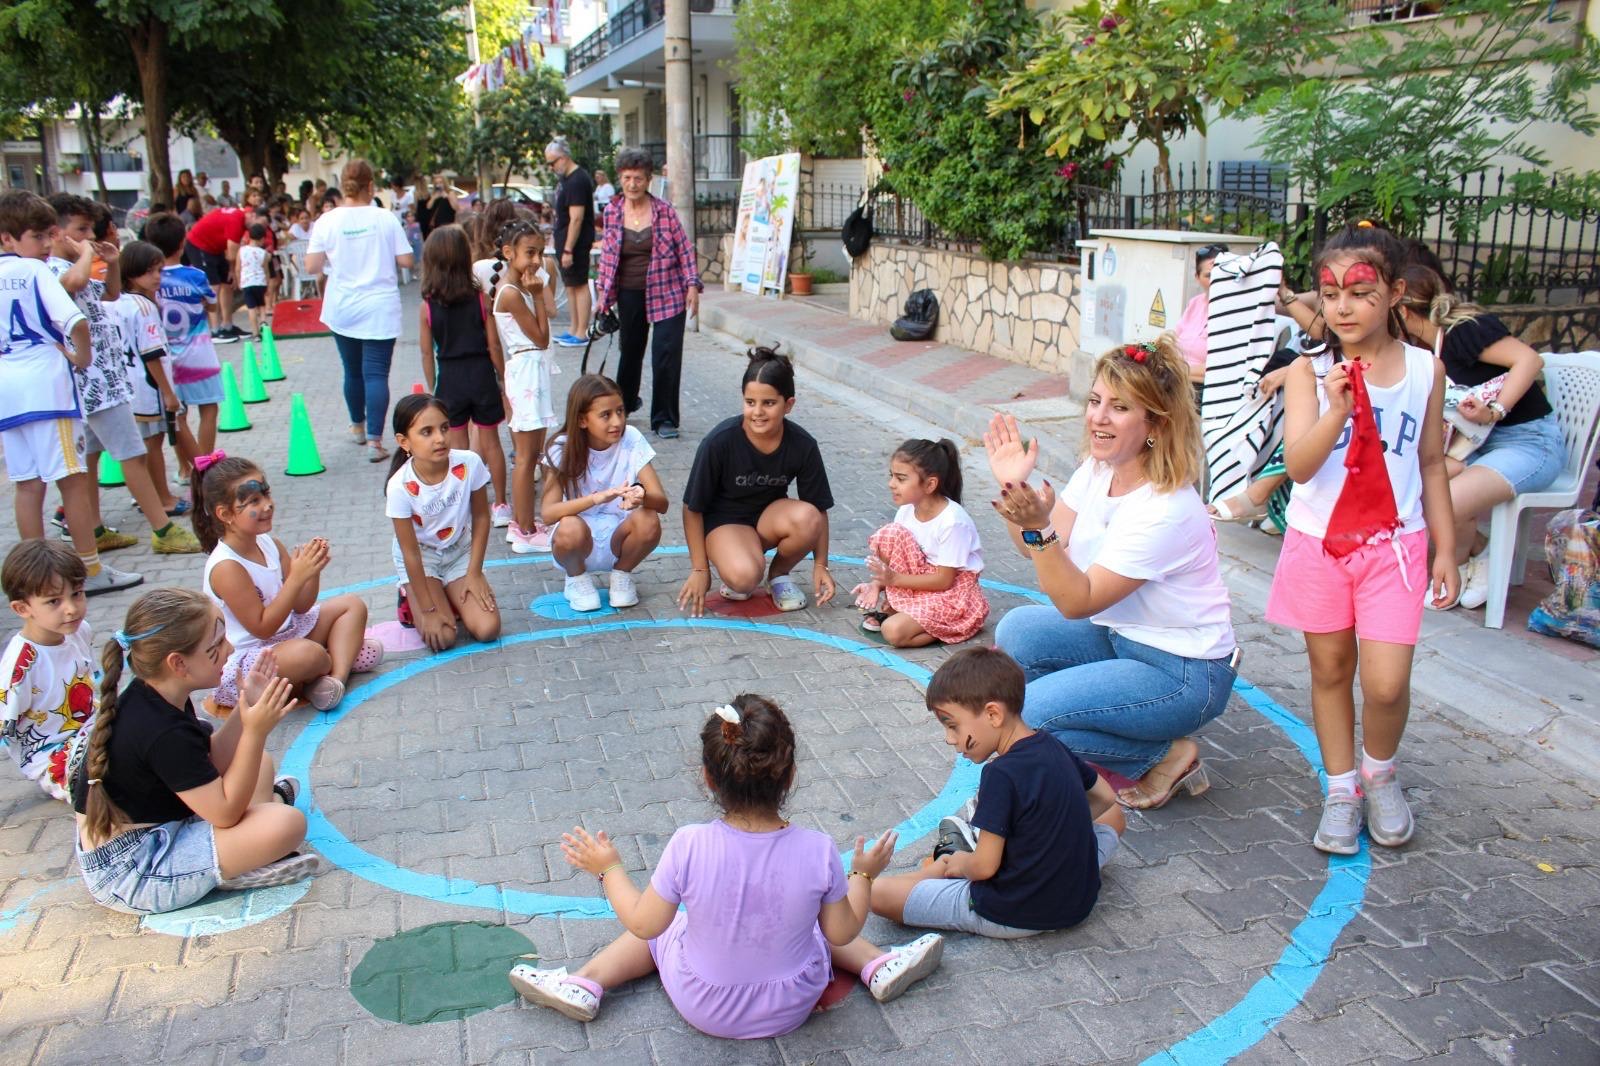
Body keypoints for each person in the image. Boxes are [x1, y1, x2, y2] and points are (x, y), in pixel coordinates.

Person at [507, 695, 945, 1033]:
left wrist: (609, 869)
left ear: (708, 778)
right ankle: (876, 965)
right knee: (816, 918)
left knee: (666, 926)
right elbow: (842, 932)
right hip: (793, 1002)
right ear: (789, 775)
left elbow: (642, 924)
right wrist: (863, 875)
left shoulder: (689, 844)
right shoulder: (818, 849)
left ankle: (585, 984)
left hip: (705, 1003)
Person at [985, 335, 1238, 810]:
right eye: (1096, 401)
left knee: (1034, 716)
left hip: (1183, 672)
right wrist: (1013, 488)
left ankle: (1162, 756)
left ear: (1155, 425)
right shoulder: (1097, 471)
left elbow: (1075, 599)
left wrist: (1039, 530)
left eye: (1119, 407)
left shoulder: (1165, 509)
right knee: (1018, 629)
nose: (1098, 416)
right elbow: (1034, 548)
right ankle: (1073, 742)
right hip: (1121, 634)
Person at [1268, 223, 1458, 855]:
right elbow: (1297, 466)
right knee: (1329, 669)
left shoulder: (1427, 371)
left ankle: (1380, 772)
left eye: (1360, 290)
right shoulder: (1307, 371)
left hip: (1395, 549)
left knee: (1384, 684)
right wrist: (1337, 411)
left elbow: (1432, 463)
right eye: (1329, 293)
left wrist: (1448, 549)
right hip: (1318, 544)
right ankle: (1342, 787)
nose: (1342, 307)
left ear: (1395, 291)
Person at [69, 588, 329, 914]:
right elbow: (225, 813)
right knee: (286, 825)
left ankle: (238, 851)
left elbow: (211, 760)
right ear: (178, 663)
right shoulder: (160, 730)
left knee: (258, 766)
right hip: (134, 870)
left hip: (160, 828)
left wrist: (245, 706)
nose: (230, 649)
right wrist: (255, 730)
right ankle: (229, 869)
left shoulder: (158, 695)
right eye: (215, 647)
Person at [863, 648, 1126, 938]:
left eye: (952, 725)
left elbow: (984, 868)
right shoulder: (1052, 743)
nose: (949, 738)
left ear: (993, 714)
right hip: (1078, 899)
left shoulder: (1000, 773)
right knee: (1114, 817)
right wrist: (1058, 832)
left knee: (878, 893)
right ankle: (963, 854)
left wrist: (963, 863)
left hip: (1014, 911)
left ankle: (940, 868)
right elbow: (1106, 798)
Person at [1398, 264, 1563, 612]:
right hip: (1476, 445)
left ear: (1400, 309)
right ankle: (1481, 553)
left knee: (1448, 500)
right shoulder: (1426, 349)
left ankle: (1453, 572)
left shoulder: (1463, 331)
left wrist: (1495, 411)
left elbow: (1529, 360)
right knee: (1411, 482)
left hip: (1528, 442)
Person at [0, 190, 140, 595]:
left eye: (49, 237)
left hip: (9, 392)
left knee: (27, 484)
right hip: (47, 390)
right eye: (38, 237)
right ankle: (88, 571)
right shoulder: (34, 272)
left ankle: (33, 577)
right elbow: (74, 318)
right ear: (8, 238)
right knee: (74, 480)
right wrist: (82, 357)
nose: (45, 246)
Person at [45, 196, 200, 556]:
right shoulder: (54, 270)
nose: (88, 237)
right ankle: (162, 530)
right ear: (56, 232)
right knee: (132, 456)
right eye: (79, 229)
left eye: (89, 230)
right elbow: (76, 280)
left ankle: (95, 529)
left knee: (92, 459)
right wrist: (86, 251)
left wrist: (111, 262)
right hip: (95, 385)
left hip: (100, 383)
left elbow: (110, 293)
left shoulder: (73, 271)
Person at [194, 451, 378, 714]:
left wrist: (312, 572)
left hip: (287, 634)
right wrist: (297, 578)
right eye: (254, 500)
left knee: (352, 605)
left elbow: (302, 606)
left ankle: (334, 679)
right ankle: (338, 658)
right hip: (251, 661)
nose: (267, 505)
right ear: (225, 514)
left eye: (267, 494)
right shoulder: (226, 566)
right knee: (309, 654)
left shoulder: (269, 543)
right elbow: (262, 628)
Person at [677, 348, 836, 616]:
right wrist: (700, 569)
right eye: (750, 402)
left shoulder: (803, 444)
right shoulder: (719, 441)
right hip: (725, 523)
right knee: (743, 578)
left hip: (767, 521)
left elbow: (819, 508)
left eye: (769, 404)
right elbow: (691, 508)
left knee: (809, 517)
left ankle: (779, 576)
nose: (758, 412)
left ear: (789, 405)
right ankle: (737, 564)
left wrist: (821, 565)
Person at [305, 159, 415, 463]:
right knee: (376, 373)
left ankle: (357, 426)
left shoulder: (327, 220)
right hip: (379, 306)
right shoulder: (385, 218)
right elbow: (407, 261)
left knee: (352, 370)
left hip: (342, 306)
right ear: (371, 186)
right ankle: (375, 442)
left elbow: (312, 266)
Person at [593, 146, 704, 440]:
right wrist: (602, 294)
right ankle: (624, 405)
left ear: (648, 180)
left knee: (665, 355)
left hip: (667, 291)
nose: (632, 184)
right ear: (620, 178)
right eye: (627, 178)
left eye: (639, 178)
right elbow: (607, 256)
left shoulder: (664, 212)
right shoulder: (613, 211)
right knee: (630, 353)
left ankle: (665, 418)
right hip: (629, 293)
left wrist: (692, 284)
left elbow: (684, 249)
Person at [541, 374, 668, 612]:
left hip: (617, 539)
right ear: (581, 420)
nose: (617, 422)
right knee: (569, 526)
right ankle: (576, 578)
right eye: (605, 415)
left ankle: (622, 574)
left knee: (649, 519)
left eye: (620, 411)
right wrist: (595, 498)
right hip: (578, 543)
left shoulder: (631, 438)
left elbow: (662, 502)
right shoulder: (562, 447)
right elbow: (548, 513)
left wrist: (641, 495)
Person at [385, 394, 501, 651]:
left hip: (459, 551)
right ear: (404, 442)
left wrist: (474, 572)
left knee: (488, 629)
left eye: (444, 428)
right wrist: (426, 609)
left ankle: (449, 591)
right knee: (444, 638)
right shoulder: (399, 487)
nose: (439, 438)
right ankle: (410, 594)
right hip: (422, 558)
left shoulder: (469, 463)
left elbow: (482, 517)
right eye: (426, 432)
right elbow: (410, 553)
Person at [852, 439, 988, 647]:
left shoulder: (953, 522)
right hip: (921, 580)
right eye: (892, 476)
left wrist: (894, 579)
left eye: (901, 478)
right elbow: (899, 559)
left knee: (893, 631)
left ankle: (958, 624)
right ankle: (905, 609)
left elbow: (944, 581)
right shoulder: (907, 510)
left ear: (930, 484)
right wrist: (877, 584)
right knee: (890, 533)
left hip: (952, 594)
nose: (891, 484)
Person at [417, 225, 508, 521]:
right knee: (491, 441)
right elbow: (494, 344)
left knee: (457, 448)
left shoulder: (427, 306)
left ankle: (464, 506)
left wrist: (433, 388)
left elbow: (425, 352)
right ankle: (501, 504)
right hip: (481, 372)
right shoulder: (481, 299)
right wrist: (503, 376)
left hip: (450, 378)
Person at [2, 540, 95, 800]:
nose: (71, 608)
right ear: (22, 608)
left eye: (77, 593)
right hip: (57, 760)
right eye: (54, 601)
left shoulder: (79, 630)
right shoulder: (20, 667)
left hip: (94, 731)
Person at [490, 218, 561, 553]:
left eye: (540, 252)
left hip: (531, 371)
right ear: (509, 252)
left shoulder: (516, 289)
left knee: (531, 454)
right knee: (526, 457)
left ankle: (525, 523)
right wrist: (535, 296)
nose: (536, 260)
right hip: (526, 370)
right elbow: (542, 336)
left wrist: (536, 291)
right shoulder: (512, 294)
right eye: (529, 252)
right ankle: (524, 529)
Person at [146, 212, 225, 468]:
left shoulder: (149, 280)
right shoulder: (196, 276)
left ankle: (184, 467)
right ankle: (204, 467)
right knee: (209, 410)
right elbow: (212, 307)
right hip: (200, 356)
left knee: (177, 416)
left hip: (167, 358)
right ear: (183, 243)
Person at [544, 137, 596, 348]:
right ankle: (574, 328)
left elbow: (576, 218)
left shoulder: (577, 180)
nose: (551, 167)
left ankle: (582, 331)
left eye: (553, 162)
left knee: (580, 284)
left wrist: (568, 248)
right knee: (571, 286)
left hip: (575, 244)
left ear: (564, 157)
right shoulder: (567, 179)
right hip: (565, 241)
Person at [183, 199, 249, 341]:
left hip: (215, 248)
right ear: (252, 217)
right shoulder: (237, 221)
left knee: (227, 284)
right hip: (199, 245)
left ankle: (227, 325)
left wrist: (231, 272)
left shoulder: (240, 217)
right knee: (213, 287)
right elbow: (232, 250)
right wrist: (233, 269)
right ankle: (214, 329)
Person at [1175, 244, 1224, 388]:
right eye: (1209, 275)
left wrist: (1175, 370)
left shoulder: (1236, 312)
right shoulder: (1195, 303)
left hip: (1202, 388)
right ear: (1197, 277)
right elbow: (1170, 343)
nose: (1216, 280)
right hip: (1177, 379)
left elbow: (1219, 368)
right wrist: (1147, 348)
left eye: (1221, 274)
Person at [237, 223, 271, 338]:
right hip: (260, 282)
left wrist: (239, 282)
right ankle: (263, 322)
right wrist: (267, 283)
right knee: (261, 305)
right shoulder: (264, 253)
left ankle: (255, 333)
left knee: (251, 308)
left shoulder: (241, 251)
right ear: (262, 239)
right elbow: (266, 270)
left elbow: (238, 268)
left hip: (247, 282)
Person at [418, 173, 458, 239]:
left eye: (440, 182)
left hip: (448, 223)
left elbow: (456, 208)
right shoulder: (434, 194)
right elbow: (428, 207)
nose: (439, 184)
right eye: (436, 183)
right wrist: (434, 198)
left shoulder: (450, 193)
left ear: (444, 183)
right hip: (437, 225)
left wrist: (447, 197)